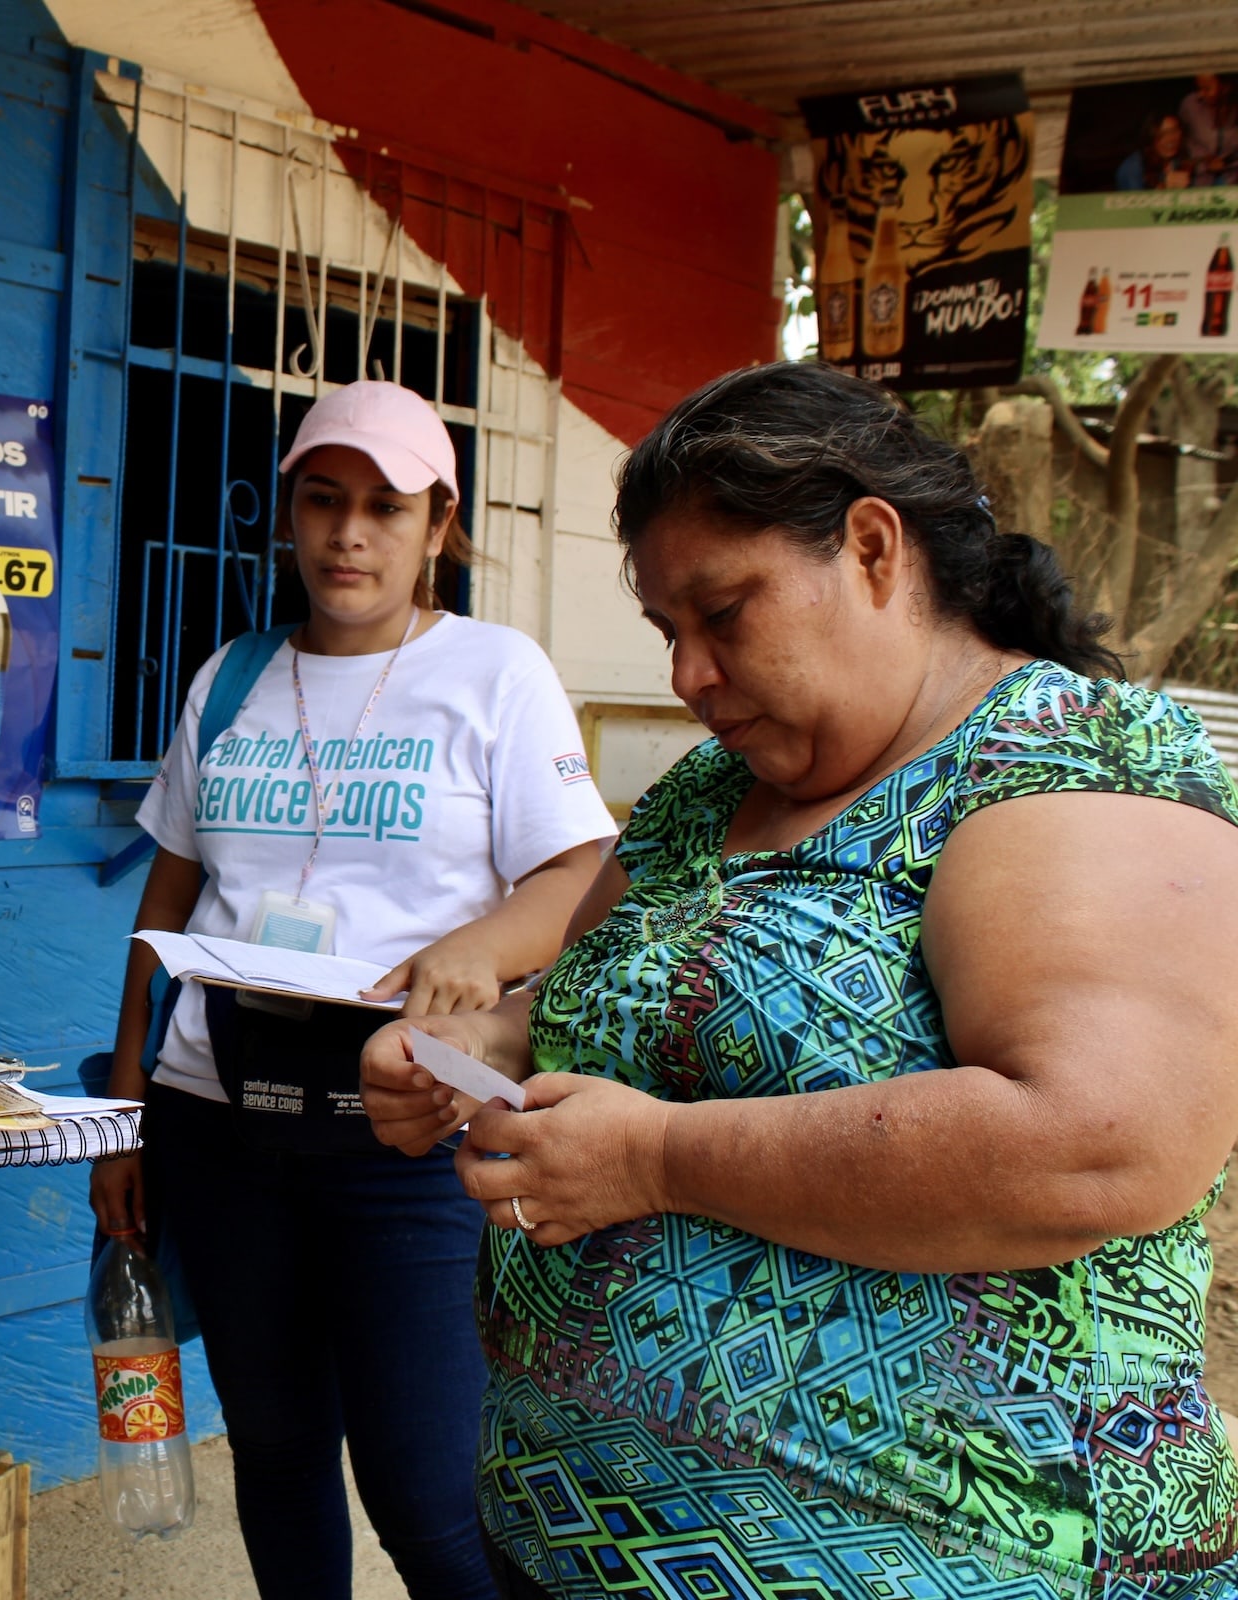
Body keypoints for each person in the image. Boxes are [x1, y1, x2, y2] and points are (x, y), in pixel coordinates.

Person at [363, 361, 1238, 1599]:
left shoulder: (1061, 762)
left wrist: (657, 1158)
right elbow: (573, 1007)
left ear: (874, 550)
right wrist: (478, 1046)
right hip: (562, 1541)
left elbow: (1101, 1140)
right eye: (672, 632)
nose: (688, 676)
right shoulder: (704, 799)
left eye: (725, 613)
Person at [90, 380, 616, 1598]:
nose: (349, 534)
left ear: (441, 526)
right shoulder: (232, 676)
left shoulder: (493, 672)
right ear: (288, 513)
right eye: (323, 501)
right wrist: (125, 1117)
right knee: (273, 1453)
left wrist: (481, 942)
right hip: (220, 1129)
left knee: (427, 1495)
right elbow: (162, 910)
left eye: (387, 506)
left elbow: (579, 875)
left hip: (407, 1138)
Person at [1116, 111, 1193, 191]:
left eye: (1174, 131)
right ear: (1150, 138)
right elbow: (1134, 201)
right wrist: (1164, 188)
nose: (1171, 139)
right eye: (1163, 134)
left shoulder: (1179, 160)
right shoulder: (1132, 168)